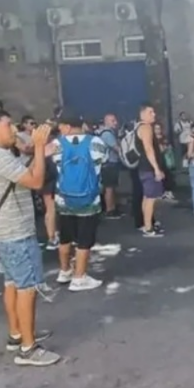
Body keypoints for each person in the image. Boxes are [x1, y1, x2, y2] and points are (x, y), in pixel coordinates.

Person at [0, 108, 60, 366]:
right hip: (15, 232)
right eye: (8, 125)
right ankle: (28, 348)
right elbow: (35, 182)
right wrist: (39, 147)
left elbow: (22, 175)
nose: (14, 129)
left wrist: (40, 152)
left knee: (12, 283)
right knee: (27, 288)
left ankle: (17, 334)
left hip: (3, 231)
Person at [49, 115, 108, 291]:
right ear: (81, 124)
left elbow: (54, 163)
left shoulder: (57, 144)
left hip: (64, 198)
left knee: (65, 236)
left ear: (66, 126)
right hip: (89, 198)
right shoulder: (96, 142)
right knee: (85, 238)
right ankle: (79, 277)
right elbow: (102, 162)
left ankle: (64, 271)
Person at [135, 104, 165, 237]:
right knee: (151, 198)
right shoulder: (146, 128)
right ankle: (148, 228)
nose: (154, 114)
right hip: (149, 168)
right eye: (150, 112)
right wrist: (156, 168)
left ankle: (147, 224)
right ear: (142, 114)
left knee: (147, 197)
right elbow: (148, 148)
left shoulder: (138, 127)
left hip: (143, 167)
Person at [96, 114, 122, 218]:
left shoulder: (107, 133)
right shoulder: (107, 134)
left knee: (111, 186)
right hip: (109, 164)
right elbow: (116, 148)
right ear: (106, 122)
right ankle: (110, 210)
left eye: (115, 120)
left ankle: (112, 207)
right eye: (112, 121)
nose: (116, 123)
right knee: (109, 187)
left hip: (109, 163)